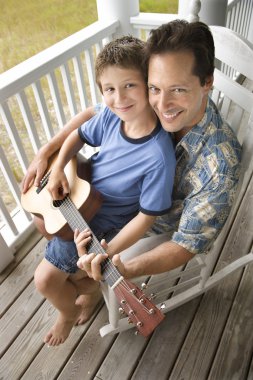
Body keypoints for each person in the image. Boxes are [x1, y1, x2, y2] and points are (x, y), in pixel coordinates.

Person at [22, 36, 175, 346]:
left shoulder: (158, 157)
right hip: (85, 193)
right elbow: (76, 136)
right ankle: (87, 288)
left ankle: (66, 312)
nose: (119, 98)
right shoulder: (111, 116)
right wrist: (57, 169)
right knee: (47, 224)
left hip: (101, 223)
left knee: (45, 280)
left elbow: (145, 218)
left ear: (150, 84)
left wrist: (109, 250)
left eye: (129, 85)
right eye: (109, 89)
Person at [76, 20, 242, 283]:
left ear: (207, 82)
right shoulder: (144, 100)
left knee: (74, 271)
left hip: (149, 227)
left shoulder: (220, 166)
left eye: (178, 89)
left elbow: (185, 244)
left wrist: (127, 269)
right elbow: (98, 112)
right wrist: (49, 150)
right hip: (113, 200)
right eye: (154, 88)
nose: (162, 105)